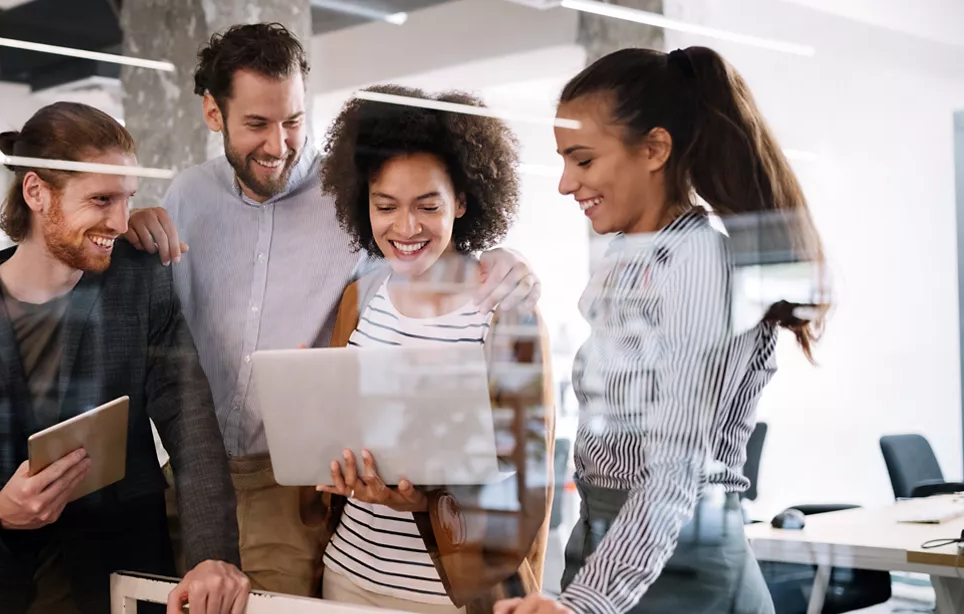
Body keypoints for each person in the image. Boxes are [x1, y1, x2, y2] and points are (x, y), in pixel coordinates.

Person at [124, 22, 542, 597]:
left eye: (293, 121)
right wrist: (126, 226)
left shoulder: (345, 198)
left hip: (290, 488)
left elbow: (425, 254)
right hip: (191, 474)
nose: (278, 145)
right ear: (212, 113)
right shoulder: (185, 197)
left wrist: (504, 256)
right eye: (256, 124)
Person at [494, 47, 828, 614]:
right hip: (610, 544)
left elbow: (673, 467)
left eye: (582, 160)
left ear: (654, 149)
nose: (565, 183)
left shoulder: (698, 265)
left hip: (680, 564)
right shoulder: (631, 259)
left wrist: (586, 604)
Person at [0, 101, 250, 614]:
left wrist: (213, 556)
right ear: (36, 192)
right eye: (101, 200)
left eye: (128, 199)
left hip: (122, 584)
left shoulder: (141, 287)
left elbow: (192, 430)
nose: (121, 222)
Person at [309, 85, 556, 614]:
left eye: (428, 205)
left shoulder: (505, 310)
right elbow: (334, 417)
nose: (406, 227)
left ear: (462, 201)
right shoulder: (361, 298)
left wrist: (427, 500)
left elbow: (527, 478)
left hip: (450, 595)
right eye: (385, 206)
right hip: (347, 575)